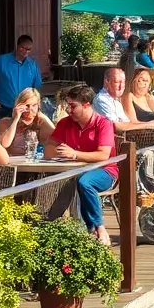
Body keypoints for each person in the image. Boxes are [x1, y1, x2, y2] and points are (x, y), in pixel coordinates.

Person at [47, 84, 117, 245]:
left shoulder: (103, 124)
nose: (69, 111)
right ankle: (65, 226)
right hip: (73, 171)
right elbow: (48, 150)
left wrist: (74, 154)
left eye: (72, 106)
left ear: (86, 104)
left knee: (85, 182)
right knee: (61, 180)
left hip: (105, 171)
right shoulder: (65, 123)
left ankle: (98, 228)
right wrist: (60, 151)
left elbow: (103, 155)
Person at [0, 35, 42, 123]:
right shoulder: (2, 61)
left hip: (24, 109)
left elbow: (36, 89)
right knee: (0, 135)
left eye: (28, 49)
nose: (25, 51)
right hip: (2, 107)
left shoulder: (32, 65)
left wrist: (35, 107)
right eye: (23, 48)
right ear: (17, 46)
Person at [93, 68, 154, 135]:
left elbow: (127, 123)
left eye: (123, 82)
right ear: (106, 82)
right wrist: (147, 125)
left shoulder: (115, 100)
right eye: (117, 82)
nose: (121, 86)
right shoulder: (102, 100)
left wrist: (152, 123)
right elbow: (116, 126)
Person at [0, 87, 55, 156]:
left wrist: (41, 114)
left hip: (34, 160)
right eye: (27, 105)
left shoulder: (41, 122)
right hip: (14, 160)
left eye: (34, 105)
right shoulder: (5, 122)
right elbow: (5, 143)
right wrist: (16, 118)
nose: (30, 109)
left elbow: (57, 138)